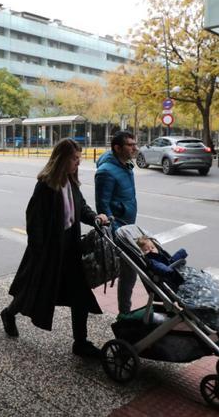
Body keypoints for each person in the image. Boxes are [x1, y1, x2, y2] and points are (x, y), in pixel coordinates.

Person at [0, 138, 109, 358]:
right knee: (32, 290)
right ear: (62, 159)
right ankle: (9, 313)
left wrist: (95, 217)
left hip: (71, 246)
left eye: (79, 159)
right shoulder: (45, 186)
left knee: (80, 294)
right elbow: (34, 221)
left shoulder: (71, 181)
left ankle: (80, 342)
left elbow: (81, 208)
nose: (78, 163)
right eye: (75, 159)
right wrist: (40, 252)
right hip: (48, 250)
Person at [94, 130, 138, 314]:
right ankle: (124, 313)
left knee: (131, 270)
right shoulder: (106, 172)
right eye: (130, 145)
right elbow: (102, 206)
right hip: (119, 229)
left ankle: (124, 311)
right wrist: (116, 232)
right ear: (117, 148)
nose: (135, 148)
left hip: (128, 225)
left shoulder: (126, 165)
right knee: (131, 270)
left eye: (135, 144)